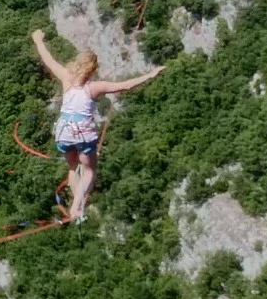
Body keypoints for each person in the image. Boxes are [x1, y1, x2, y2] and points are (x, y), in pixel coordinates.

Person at [30, 29, 165, 222]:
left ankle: (76, 203)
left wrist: (38, 41)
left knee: (73, 166)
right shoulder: (94, 87)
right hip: (82, 133)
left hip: (64, 131)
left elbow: (49, 60)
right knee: (90, 170)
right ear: (92, 70)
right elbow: (126, 86)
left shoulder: (66, 77)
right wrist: (151, 75)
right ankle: (76, 207)